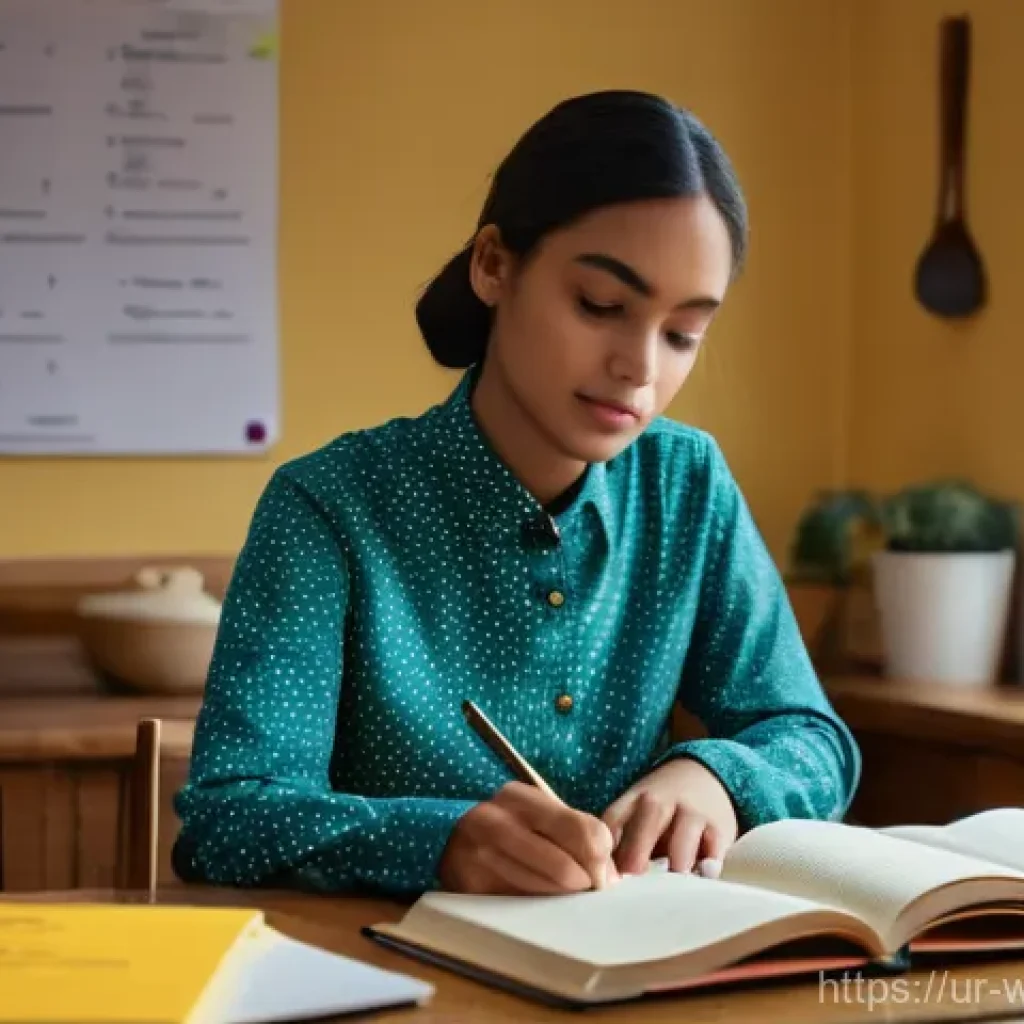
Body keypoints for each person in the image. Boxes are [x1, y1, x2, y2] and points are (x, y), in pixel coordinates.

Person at [172, 89, 861, 899]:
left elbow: (813, 741)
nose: (642, 366)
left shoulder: (685, 485)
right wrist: (440, 843)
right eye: (602, 306)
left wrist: (715, 776)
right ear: (494, 264)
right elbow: (231, 817)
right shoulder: (329, 507)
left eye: (683, 334)